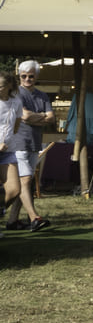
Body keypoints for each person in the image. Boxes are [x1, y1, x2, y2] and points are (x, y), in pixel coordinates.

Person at [9, 61, 55, 230]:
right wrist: (42, 116)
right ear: (19, 76)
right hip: (18, 142)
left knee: (24, 182)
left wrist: (34, 117)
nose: (27, 79)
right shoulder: (15, 93)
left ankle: (12, 220)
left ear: (36, 76)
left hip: (35, 142)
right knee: (26, 179)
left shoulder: (42, 95)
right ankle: (34, 217)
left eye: (31, 76)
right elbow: (25, 116)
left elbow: (52, 118)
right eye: (24, 76)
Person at [0, 73, 25, 230]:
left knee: (14, 190)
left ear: (9, 86)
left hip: (8, 151)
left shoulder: (16, 102)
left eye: (0, 86)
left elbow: (16, 126)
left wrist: (8, 141)